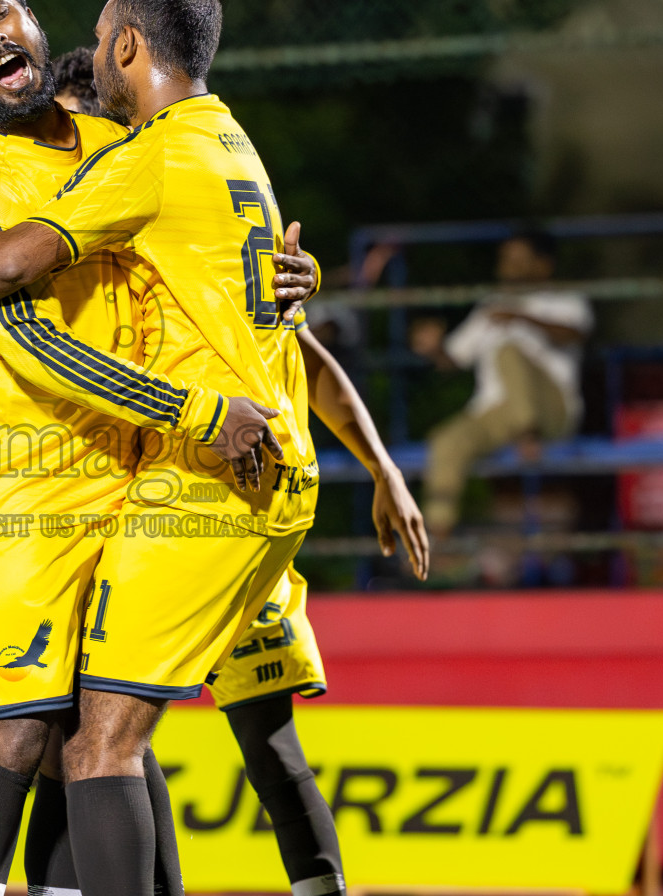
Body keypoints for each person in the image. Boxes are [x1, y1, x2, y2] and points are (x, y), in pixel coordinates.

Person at [0, 0, 427, 896]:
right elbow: (32, 339)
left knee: (117, 731)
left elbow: (212, 252)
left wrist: (291, 277)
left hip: (165, 469)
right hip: (34, 485)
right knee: (29, 734)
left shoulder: (126, 136)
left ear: (35, 23)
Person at [46, 49, 426, 896]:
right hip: (181, 503)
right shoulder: (124, 240)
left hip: (208, 497)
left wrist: (385, 470)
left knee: (135, 733)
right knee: (120, 734)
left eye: (84, 131)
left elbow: (304, 351)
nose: (78, 150)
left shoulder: (164, 212)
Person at [409, 230, 592, 537]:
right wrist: (434, 348)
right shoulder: (492, 306)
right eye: (506, 259)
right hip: (498, 414)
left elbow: (575, 333)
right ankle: (437, 541)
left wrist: (521, 317)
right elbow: (453, 359)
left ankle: (527, 429)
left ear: (543, 265)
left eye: (518, 260)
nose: (508, 267)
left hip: (552, 411)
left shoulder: (565, 301)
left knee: (509, 353)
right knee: (445, 442)